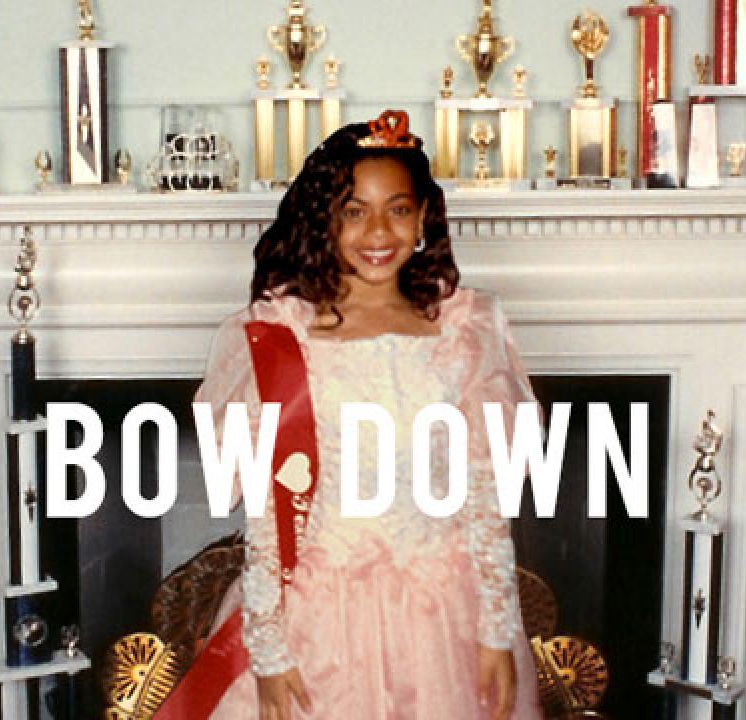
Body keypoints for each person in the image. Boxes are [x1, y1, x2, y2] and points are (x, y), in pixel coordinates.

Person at [161, 110, 542, 720]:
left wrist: (496, 628)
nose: (378, 231)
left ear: (423, 217)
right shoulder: (285, 334)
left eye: (398, 209)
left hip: (441, 614)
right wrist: (268, 648)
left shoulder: (463, 332)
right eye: (354, 211)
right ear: (327, 221)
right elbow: (269, 511)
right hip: (318, 616)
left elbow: (483, 498)